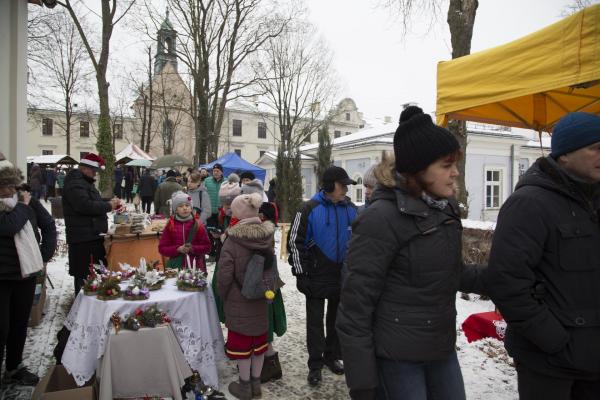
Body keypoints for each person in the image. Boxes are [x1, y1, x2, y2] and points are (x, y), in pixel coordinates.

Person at [336, 107, 486, 400]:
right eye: (446, 165)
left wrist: (506, 276)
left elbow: (451, 273)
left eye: (455, 164)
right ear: (419, 168)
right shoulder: (381, 218)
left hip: (440, 348)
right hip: (397, 358)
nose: (455, 172)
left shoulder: (445, 210)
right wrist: (363, 384)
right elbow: (355, 306)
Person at [484, 112, 600, 400]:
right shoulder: (529, 203)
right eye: (596, 148)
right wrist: (553, 339)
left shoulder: (594, 200)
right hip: (548, 363)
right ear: (565, 155)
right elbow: (507, 281)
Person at [287, 165, 358, 386]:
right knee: (315, 323)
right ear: (329, 186)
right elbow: (294, 242)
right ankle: (315, 364)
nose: (346, 189)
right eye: (342, 185)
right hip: (315, 275)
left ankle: (331, 356)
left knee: (336, 320)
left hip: (342, 276)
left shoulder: (352, 210)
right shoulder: (309, 208)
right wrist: (301, 273)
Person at [0, 153, 56, 386]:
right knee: (1, 329)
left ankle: (14, 367)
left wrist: (43, 255)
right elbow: (9, 226)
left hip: (24, 274)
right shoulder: (22, 204)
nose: (9, 190)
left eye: (11, 184)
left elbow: (48, 224)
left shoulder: (25, 200)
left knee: (19, 324)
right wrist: (23, 205)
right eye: (5, 185)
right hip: (1, 277)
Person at [218, 192, 276, 400]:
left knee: (242, 345)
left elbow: (224, 275)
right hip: (261, 299)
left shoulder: (232, 240)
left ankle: (244, 386)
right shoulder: (267, 236)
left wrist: (224, 295)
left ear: (237, 214)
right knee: (259, 344)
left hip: (238, 300)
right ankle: (256, 384)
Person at [62, 153, 121, 296]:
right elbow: (84, 205)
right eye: (94, 171)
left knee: (96, 274)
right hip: (83, 240)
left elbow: (93, 201)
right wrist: (108, 206)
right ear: (84, 169)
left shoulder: (84, 183)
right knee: (83, 277)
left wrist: (109, 202)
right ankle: (82, 310)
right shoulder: (75, 184)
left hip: (91, 237)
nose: (95, 174)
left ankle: (94, 305)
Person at [158, 191, 211, 272]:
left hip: (195, 269)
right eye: (180, 206)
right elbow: (162, 248)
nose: (185, 208)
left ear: (191, 207)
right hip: (176, 268)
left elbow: (207, 247)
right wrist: (177, 249)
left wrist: (192, 248)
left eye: (187, 205)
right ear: (175, 210)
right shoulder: (170, 226)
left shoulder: (198, 225)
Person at [204, 163, 225, 229]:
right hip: (210, 211)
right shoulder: (207, 180)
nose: (215, 172)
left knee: (220, 230)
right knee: (209, 230)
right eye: (214, 171)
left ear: (221, 172)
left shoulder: (226, 182)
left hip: (221, 212)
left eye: (217, 171)